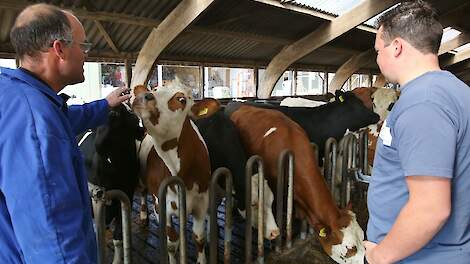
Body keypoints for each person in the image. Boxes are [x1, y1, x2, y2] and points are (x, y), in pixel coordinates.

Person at [0, 3, 131, 263]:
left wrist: (104, 105)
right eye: (83, 47)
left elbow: (64, 119)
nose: (86, 55)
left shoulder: (15, 95)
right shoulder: (37, 126)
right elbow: (56, 244)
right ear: (59, 49)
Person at [364, 1, 470, 263]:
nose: (377, 59)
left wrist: (380, 256)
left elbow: (430, 209)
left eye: (378, 50)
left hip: (421, 255)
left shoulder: (423, 103)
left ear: (397, 47)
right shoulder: (455, 91)